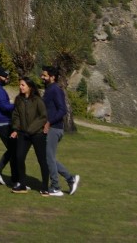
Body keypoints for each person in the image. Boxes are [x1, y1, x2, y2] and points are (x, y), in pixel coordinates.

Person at [40, 66, 79, 196]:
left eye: (44, 76)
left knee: (48, 158)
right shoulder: (49, 89)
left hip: (54, 128)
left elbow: (62, 110)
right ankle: (70, 179)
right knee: (49, 158)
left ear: (52, 77)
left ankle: (56, 187)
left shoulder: (56, 90)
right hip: (50, 127)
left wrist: (49, 122)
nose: (42, 77)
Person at [8, 75, 48, 193]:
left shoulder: (37, 100)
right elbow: (16, 116)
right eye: (20, 85)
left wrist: (31, 129)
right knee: (19, 157)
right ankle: (22, 184)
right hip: (23, 134)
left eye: (23, 85)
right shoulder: (18, 100)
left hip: (37, 134)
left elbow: (43, 117)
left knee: (42, 160)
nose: (20, 87)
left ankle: (45, 187)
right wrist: (16, 129)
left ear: (29, 87)